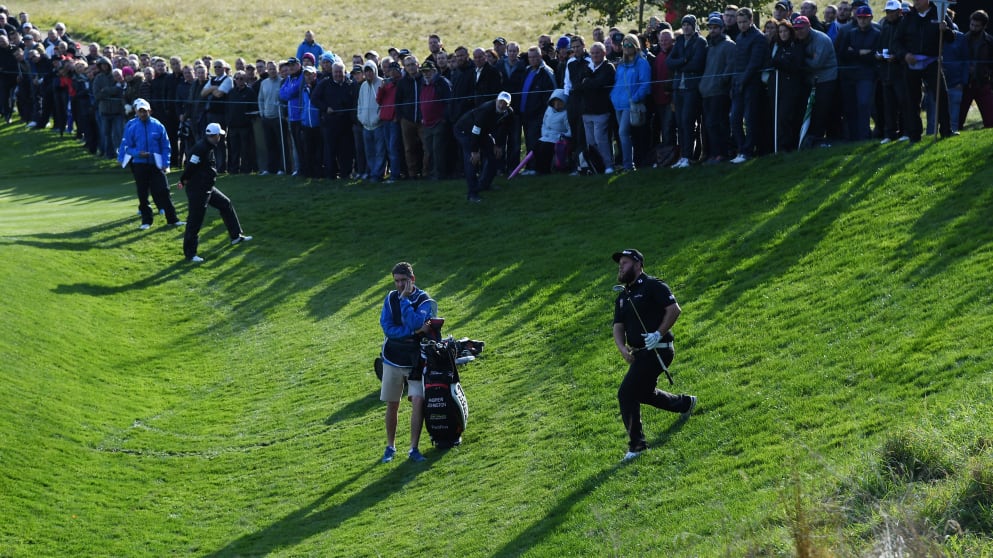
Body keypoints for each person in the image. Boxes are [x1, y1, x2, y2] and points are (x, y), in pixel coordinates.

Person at [611, 249, 696, 462]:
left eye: (625, 262)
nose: (621, 266)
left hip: (659, 349)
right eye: (619, 263)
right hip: (640, 354)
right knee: (643, 393)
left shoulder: (653, 286)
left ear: (638, 264)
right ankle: (685, 403)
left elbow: (674, 309)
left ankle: (637, 446)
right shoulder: (623, 296)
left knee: (626, 393)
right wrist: (622, 348)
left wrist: (658, 333)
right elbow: (618, 326)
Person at [379, 261, 436, 463]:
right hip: (392, 359)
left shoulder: (425, 301)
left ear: (413, 280)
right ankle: (390, 447)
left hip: (416, 360)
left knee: (418, 402)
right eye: (397, 281)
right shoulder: (389, 299)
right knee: (392, 404)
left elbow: (417, 322)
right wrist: (412, 333)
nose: (400, 285)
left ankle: (413, 448)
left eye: (404, 280)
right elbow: (388, 329)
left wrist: (404, 302)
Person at [177, 122, 252, 263]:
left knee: (225, 204)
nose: (221, 137)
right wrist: (183, 180)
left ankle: (236, 236)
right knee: (195, 220)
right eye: (220, 135)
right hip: (198, 190)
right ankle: (190, 254)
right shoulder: (201, 149)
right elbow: (190, 167)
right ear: (215, 136)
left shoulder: (208, 146)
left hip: (207, 187)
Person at [117, 98, 184, 230]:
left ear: (150, 111)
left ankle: (173, 219)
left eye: (145, 111)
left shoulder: (158, 125)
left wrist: (166, 163)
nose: (143, 114)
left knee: (164, 191)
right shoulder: (132, 126)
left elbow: (166, 146)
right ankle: (146, 221)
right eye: (140, 111)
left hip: (156, 164)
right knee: (142, 193)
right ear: (136, 112)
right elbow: (127, 148)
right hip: (139, 164)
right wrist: (137, 153)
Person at [454, 91, 514, 202]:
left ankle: (484, 185)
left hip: (482, 132)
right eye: (500, 102)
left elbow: (503, 130)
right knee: (472, 160)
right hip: (465, 130)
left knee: (494, 155)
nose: (502, 105)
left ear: (508, 105)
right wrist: (474, 151)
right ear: (496, 100)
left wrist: (498, 145)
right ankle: (472, 194)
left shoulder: (508, 113)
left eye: (505, 103)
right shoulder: (485, 110)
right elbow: (475, 131)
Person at [610, 34, 651, 172]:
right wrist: (613, 96)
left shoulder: (642, 63)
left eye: (629, 45)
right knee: (623, 135)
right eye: (624, 45)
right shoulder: (621, 64)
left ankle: (628, 165)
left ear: (635, 46)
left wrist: (635, 98)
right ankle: (625, 163)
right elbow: (617, 82)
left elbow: (645, 84)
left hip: (631, 104)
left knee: (623, 133)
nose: (626, 48)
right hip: (618, 103)